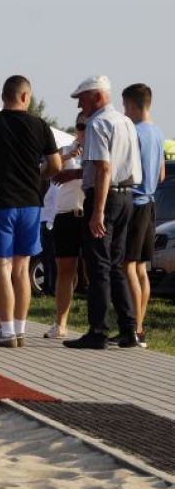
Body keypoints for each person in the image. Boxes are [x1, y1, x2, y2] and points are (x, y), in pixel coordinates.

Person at [0, 75, 61, 347]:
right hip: (31, 204)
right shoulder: (39, 125)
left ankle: (5, 331)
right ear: (25, 97)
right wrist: (39, 173)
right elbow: (55, 165)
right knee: (22, 269)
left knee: (1, 268)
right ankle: (19, 330)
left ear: (3, 96)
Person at [64, 75, 142, 349]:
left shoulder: (97, 123)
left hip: (105, 198)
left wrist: (97, 211)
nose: (79, 106)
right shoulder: (125, 121)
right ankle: (129, 329)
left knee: (98, 266)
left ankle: (98, 331)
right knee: (117, 265)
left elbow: (103, 168)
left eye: (82, 99)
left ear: (97, 96)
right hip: (127, 197)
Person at [122, 83, 165, 348]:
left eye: (126, 106)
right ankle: (140, 326)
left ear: (135, 105)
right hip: (151, 204)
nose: (125, 112)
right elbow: (161, 174)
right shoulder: (158, 133)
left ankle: (134, 327)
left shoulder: (133, 132)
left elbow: (126, 169)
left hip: (135, 201)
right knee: (141, 268)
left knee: (127, 265)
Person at [44, 115, 86, 339]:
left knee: (94, 271)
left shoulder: (100, 149)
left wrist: (76, 173)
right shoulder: (66, 149)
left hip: (89, 215)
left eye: (88, 126)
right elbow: (50, 170)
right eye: (80, 126)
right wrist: (69, 156)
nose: (84, 130)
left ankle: (96, 324)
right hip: (65, 214)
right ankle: (60, 323)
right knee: (65, 270)